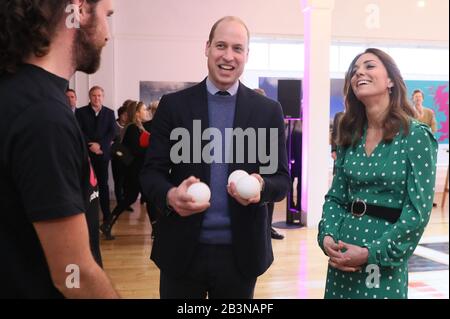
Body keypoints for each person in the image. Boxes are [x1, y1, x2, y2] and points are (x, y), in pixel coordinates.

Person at [140, 16, 290, 299]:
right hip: (182, 252)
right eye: (221, 45)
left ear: (247, 55)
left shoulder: (267, 111)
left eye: (237, 48)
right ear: (207, 47)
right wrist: (171, 195)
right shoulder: (174, 106)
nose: (228, 56)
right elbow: (150, 173)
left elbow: (280, 180)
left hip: (241, 256)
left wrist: (260, 187)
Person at [0, 0, 118, 298]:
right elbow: (72, 274)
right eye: (107, 15)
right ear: (77, 9)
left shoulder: (17, 92)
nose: (108, 33)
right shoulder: (44, 116)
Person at [317, 48, 438, 299]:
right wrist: (327, 235)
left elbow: (417, 213)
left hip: (384, 256)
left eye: (369, 66)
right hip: (342, 252)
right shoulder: (349, 134)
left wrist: (370, 253)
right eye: (354, 70)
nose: (359, 71)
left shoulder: (416, 136)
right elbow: (336, 197)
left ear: (391, 80)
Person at [100, 101, 151, 239]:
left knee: (135, 198)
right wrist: (149, 147)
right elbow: (135, 150)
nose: (146, 111)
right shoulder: (132, 128)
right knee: (138, 198)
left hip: (137, 170)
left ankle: (107, 224)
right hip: (135, 171)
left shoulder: (138, 127)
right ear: (137, 113)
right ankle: (107, 224)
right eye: (143, 109)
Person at [76, 85, 117, 224]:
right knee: (86, 185)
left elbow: (112, 132)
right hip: (86, 155)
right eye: (94, 95)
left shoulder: (110, 113)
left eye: (99, 95)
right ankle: (86, 215)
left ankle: (107, 215)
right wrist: (91, 145)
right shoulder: (80, 112)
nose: (97, 98)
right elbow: (79, 131)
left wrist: (101, 146)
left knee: (103, 185)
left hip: (102, 154)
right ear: (90, 97)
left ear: (103, 97)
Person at [254, 88, 284, 240]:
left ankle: (268, 227)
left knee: (269, 195)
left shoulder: (270, 117)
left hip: (268, 163)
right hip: (254, 164)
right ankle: (265, 228)